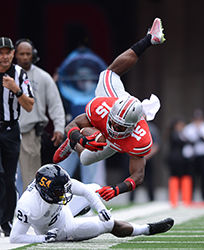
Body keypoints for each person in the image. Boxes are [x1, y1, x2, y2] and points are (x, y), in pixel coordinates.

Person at [53, 18, 165, 201]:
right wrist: (79, 137)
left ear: (132, 127)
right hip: (114, 102)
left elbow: (138, 175)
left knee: (85, 159)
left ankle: (75, 146)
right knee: (108, 73)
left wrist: (116, 189)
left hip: (112, 143)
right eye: (114, 122)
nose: (114, 127)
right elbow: (72, 124)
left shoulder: (140, 138)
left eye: (120, 127)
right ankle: (150, 39)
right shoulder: (103, 107)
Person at [9, 164, 174, 243]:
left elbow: (85, 191)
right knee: (108, 224)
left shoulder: (56, 184)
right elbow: (15, 238)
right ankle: (146, 229)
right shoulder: (28, 205)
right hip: (59, 228)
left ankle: (83, 210)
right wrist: (43, 238)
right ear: (46, 191)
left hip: (59, 209)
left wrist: (101, 208)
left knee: (95, 189)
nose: (64, 192)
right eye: (60, 191)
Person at [15, 38, 65, 192]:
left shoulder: (43, 77)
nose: (24, 57)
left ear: (33, 55)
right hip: (7, 130)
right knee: (6, 175)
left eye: (28, 54)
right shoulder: (8, 75)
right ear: (15, 55)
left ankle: (29, 211)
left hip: (30, 132)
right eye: (21, 54)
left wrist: (59, 127)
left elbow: (55, 103)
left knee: (30, 177)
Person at [56, 46, 108, 184]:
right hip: (72, 134)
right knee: (63, 167)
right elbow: (55, 103)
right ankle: (56, 189)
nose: (84, 82)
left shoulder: (97, 94)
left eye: (87, 79)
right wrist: (56, 81)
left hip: (92, 134)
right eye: (81, 79)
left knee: (92, 171)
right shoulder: (67, 93)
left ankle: (94, 196)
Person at [0, 37, 34, 237]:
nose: (4, 56)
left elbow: (29, 105)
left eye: (7, 52)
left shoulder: (20, 74)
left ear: (13, 54)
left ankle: (6, 221)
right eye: (1, 52)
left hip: (11, 130)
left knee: (9, 177)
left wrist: (16, 89)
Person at [183, 109, 204, 201]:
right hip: (193, 156)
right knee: (191, 177)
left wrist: (199, 132)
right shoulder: (189, 128)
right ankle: (190, 197)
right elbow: (186, 140)